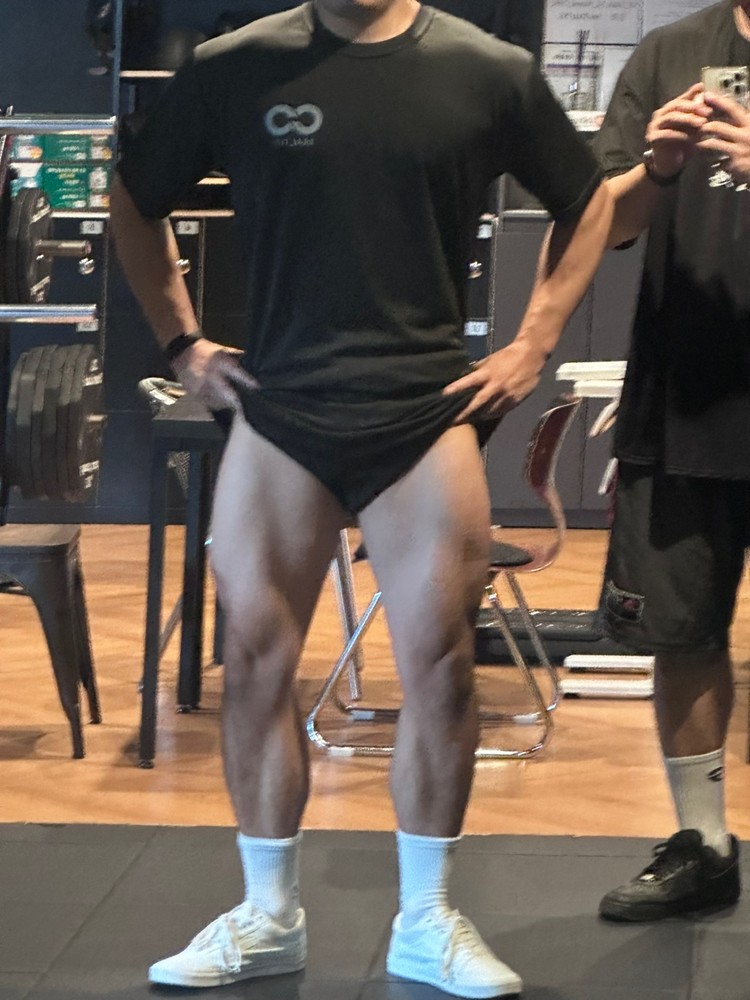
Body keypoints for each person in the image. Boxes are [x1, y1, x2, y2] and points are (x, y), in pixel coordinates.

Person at [110, 0, 611, 994]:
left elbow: (588, 200)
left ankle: (426, 919)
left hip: (422, 412)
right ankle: (268, 916)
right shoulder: (234, 66)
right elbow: (135, 198)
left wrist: (535, 341)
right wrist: (183, 344)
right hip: (280, 408)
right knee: (256, 665)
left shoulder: (488, 70)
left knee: (442, 666)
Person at [592, 0, 750, 924]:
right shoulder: (671, 52)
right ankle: (704, 843)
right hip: (685, 396)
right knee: (682, 632)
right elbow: (607, 224)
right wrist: (657, 166)